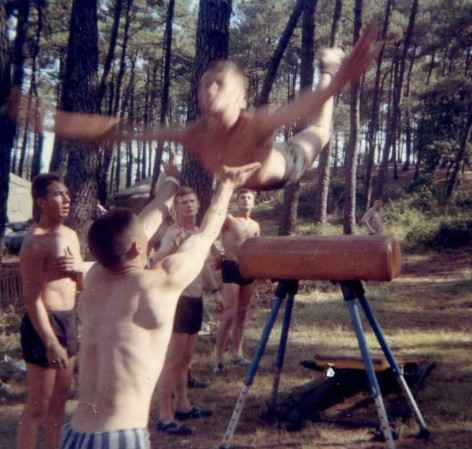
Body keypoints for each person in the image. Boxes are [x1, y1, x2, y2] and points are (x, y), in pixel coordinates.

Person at [59, 159, 261, 449]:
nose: (147, 235)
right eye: (143, 239)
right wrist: (226, 186)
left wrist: (170, 185)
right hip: (120, 438)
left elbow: (136, 229)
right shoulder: (157, 283)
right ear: (137, 247)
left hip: (74, 435)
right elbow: (204, 235)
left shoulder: (94, 280)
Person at [46, 26, 380, 191]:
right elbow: (119, 131)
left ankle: (328, 68)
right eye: (204, 84)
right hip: (258, 167)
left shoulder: (256, 123)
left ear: (242, 96)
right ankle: (329, 72)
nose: (210, 89)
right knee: (317, 127)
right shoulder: (192, 135)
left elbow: (298, 108)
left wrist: (338, 82)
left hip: (287, 162)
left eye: (220, 83)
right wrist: (53, 121)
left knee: (319, 129)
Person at [17, 173, 86, 449]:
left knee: (60, 401)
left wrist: (78, 270)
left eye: (67, 194)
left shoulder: (71, 234)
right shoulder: (34, 242)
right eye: (59, 195)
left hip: (67, 321)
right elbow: (31, 299)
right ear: (42, 202)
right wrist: (51, 343)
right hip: (43, 326)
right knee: (38, 405)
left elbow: (80, 285)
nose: (67, 199)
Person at [152, 186, 223, 436]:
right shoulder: (173, 233)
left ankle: (183, 405)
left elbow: (202, 266)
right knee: (172, 361)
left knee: (185, 359)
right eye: (183, 203)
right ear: (176, 208)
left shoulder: (197, 234)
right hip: (178, 301)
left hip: (195, 299)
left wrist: (215, 291)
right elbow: (155, 262)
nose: (189, 206)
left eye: (192, 201)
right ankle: (165, 414)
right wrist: (170, 249)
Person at [213, 189, 260, 375]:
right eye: (242, 198)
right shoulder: (229, 220)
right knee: (229, 314)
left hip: (248, 270)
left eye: (249, 198)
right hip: (231, 267)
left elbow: (257, 250)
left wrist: (262, 274)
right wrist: (217, 255)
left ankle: (237, 354)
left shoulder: (255, 225)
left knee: (243, 313)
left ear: (254, 202)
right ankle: (218, 361)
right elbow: (209, 233)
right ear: (237, 201)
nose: (246, 201)